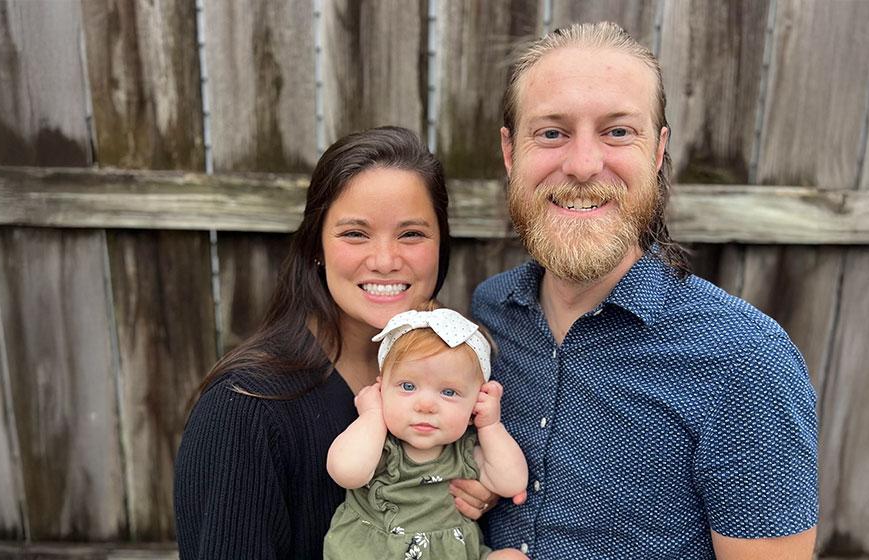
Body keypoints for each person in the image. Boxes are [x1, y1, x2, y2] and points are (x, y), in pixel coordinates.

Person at [471, 22, 818, 559]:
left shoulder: (747, 362)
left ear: (657, 153)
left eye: (617, 132)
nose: (584, 165)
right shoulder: (491, 313)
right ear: (511, 151)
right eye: (551, 132)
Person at [174, 126, 489, 559]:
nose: (384, 260)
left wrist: (469, 503)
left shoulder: (460, 373)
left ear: (441, 246)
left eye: (411, 234)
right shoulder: (246, 409)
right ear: (316, 246)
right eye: (355, 233)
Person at [323, 305, 528, 559]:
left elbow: (512, 483)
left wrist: (491, 426)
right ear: (380, 388)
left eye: (449, 392)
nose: (426, 405)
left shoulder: (462, 449)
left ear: (475, 402)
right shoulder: (378, 443)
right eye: (408, 386)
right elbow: (345, 472)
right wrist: (372, 415)